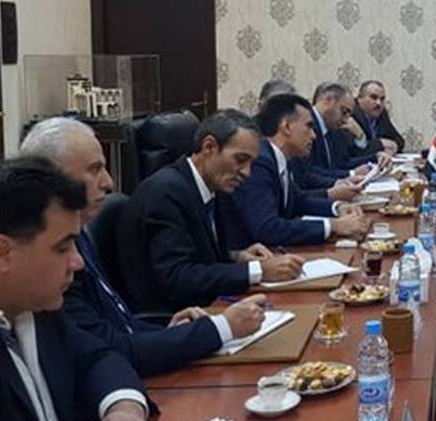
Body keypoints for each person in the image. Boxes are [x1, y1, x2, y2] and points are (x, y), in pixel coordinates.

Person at [0, 158, 214, 421]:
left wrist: (123, 407)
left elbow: (98, 356)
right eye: (63, 247)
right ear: (4, 253)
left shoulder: (36, 305)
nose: (78, 262)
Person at [19, 117, 268, 374]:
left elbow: (118, 325)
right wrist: (221, 327)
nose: (109, 183)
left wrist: (169, 331)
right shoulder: (48, 260)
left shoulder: (77, 235)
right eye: (94, 170)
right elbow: (108, 347)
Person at [117, 110, 305, 313]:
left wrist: (237, 257)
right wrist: (257, 271)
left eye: (251, 163)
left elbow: (198, 257)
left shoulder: (207, 186)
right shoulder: (165, 193)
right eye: (240, 159)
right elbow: (177, 277)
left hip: (208, 305)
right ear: (209, 147)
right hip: (174, 318)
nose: (247, 173)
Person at [221, 93, 370, 250]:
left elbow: (298, 200)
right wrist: (332, 226)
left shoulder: (279, 157)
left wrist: (337, 207)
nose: (314, 135)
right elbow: (267, 228)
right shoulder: (260, 162)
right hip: (254, 256)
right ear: (286, 127)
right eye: (309, 126)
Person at [352, 79, 405, 155]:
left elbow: (399, 140)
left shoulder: (382, 113)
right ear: (359, 98)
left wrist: (394, 146)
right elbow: (356, 148)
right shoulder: (351, 115)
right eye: (374, 97)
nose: (378, 103)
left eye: (382, 99)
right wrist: (381, 143)